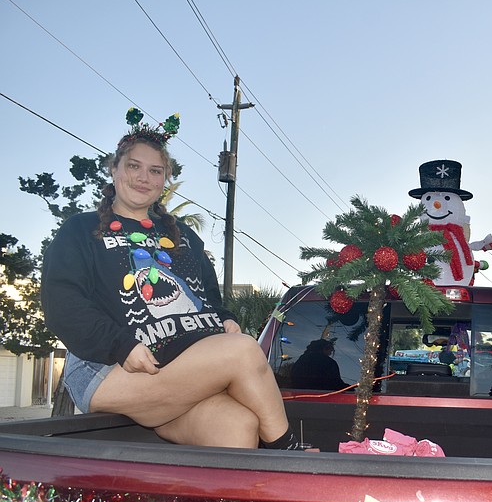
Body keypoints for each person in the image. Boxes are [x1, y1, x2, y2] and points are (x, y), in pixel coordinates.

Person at [41, 108, 299, 450]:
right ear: (114, 169)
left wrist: (225, 318)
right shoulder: (81, 229)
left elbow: (208, 295)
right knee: (242, 352)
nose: (143, 177)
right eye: (133, 166)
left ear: (165, 179)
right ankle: (290, 455)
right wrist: (120, 345)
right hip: (107, 368)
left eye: (155, 170)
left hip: (177, 368)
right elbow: (62, 302)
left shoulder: (184, 237)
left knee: (237, 425)